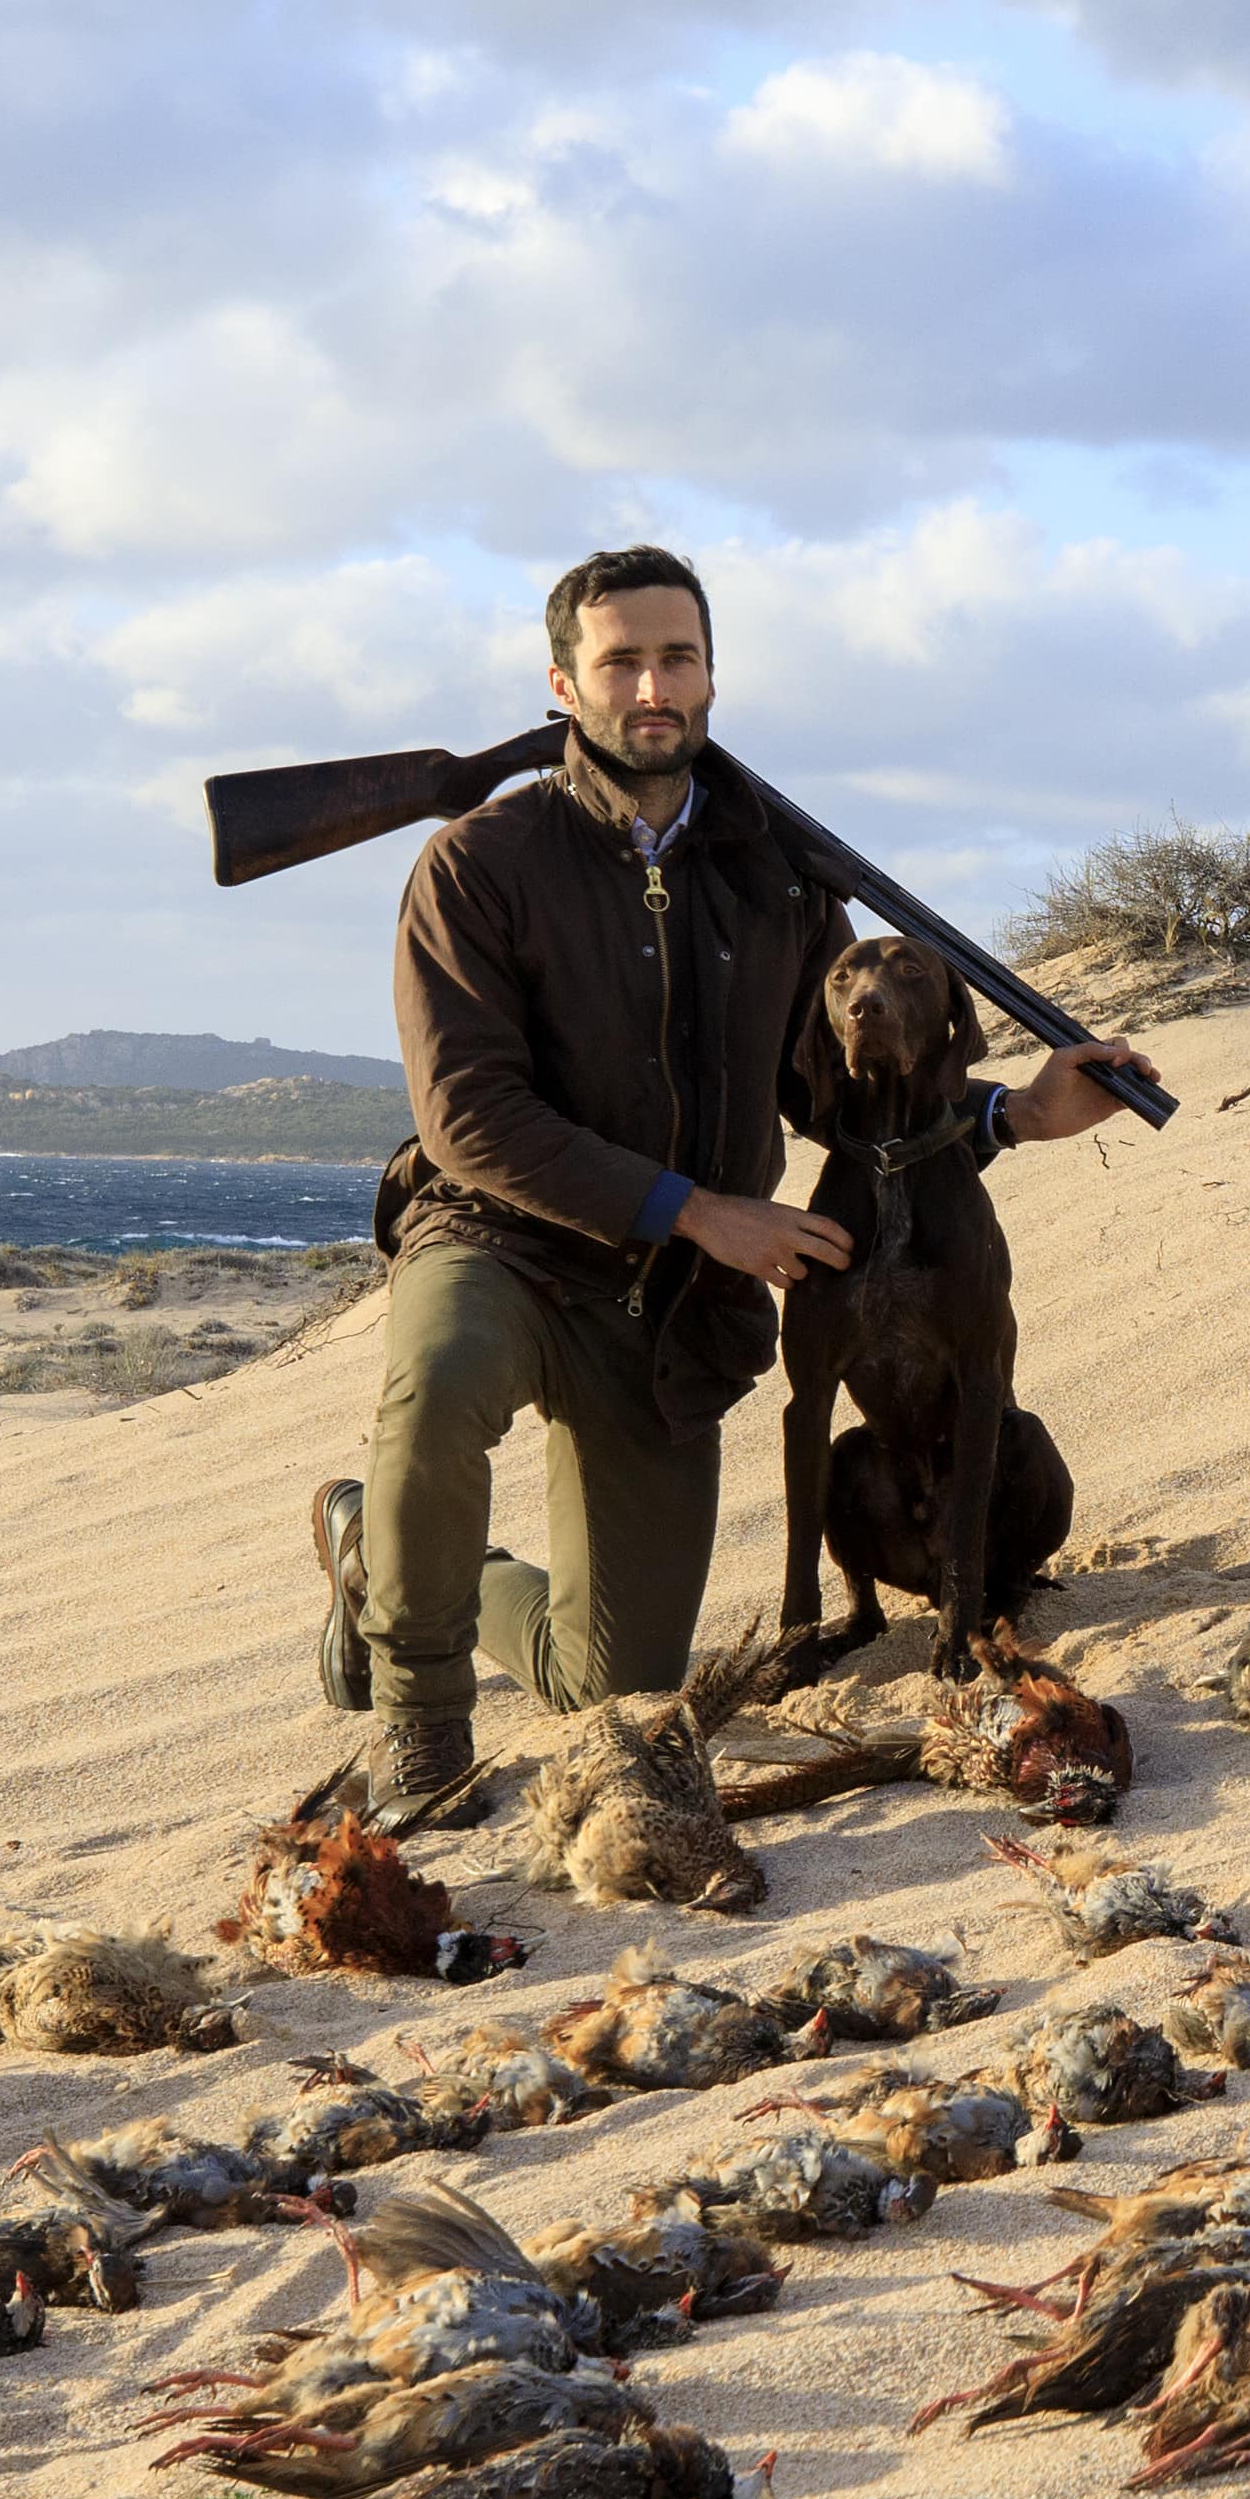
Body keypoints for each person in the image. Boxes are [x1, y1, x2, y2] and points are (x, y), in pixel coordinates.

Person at [307, 547, 1144, 1812]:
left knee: (615, 1681)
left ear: (710, 674)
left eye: (679, 657)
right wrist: (697, 1207)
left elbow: (837, 1092)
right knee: (439, 1374)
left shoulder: (778, 880)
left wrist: (1015, 1111)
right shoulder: (478, 863)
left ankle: (386, 1546)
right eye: (621, 660)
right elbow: (469, 1114)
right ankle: (421, 1711)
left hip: (671, 1303)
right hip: (500, 1238)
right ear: (562, 685)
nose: (654, 685)